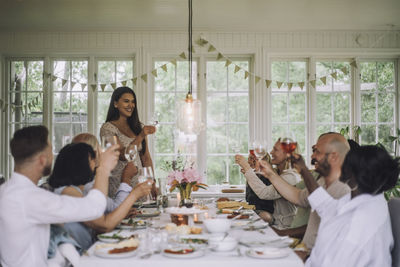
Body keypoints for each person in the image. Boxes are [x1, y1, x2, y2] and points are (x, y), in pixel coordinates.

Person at [0, 125, 119, 267]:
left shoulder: (6, 190)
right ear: (42, 160)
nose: (53, 157)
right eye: (51, 152)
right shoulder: (29, 198)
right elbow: (93, 208)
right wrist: (104, 168)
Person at [292, 145, 399, 267]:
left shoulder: (358, 227)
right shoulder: (369, 198)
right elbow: (327, 207)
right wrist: (303, 170)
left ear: (351, 173)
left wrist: (305, 260)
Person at [258, 132, 351, 259]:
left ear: (334, 156)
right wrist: (270, 174)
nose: (312, 156)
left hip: (315, 258)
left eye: (317, 151)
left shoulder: (345, 190)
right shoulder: (323, 182)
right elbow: (298, 197)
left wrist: (303, 170)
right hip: (303, 251)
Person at [48, 143, 152, 250]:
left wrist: (120, 216)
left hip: (88, 252)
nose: (96, 164)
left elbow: (95, 227)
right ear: (79, 165)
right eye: (92, 160)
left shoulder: (77, 191)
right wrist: (135, 194)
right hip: (79, 259)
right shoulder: (68, 193)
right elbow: (104, 226)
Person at [100, 86, 156, 197]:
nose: (131, 105)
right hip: (119, 186)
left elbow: (146, 158)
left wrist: (152, 182)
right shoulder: (107, 129)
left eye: (133, 102)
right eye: (126, 101)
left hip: (140, 186)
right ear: (115, 104)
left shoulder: (138, 126)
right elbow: (122, 155)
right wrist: (141, 136)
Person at [236, 138, 300, 229]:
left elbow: (265, 193)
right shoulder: (277, 172)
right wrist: (252, 172)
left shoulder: (291, 176)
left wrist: (247, 168)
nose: (271, 152)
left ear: (287, 154)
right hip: (275, 224)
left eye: (275, 150)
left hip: (285, 227)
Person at [72, 132, 137, 212]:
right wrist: (126, 179)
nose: (102, 153)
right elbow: (115, 209)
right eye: (100, 149)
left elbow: (108, 208)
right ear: (95, 154)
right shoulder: (85, 185)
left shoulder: (86, 179)